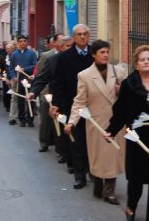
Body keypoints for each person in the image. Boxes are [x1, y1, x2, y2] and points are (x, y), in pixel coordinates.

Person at [106, 46, 149, 221]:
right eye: (142, 59)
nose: (146, 62)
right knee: (136, 181)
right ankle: (131, 208)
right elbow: (121, 111)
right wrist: (111, 130)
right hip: (137, 139)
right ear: (136, 63)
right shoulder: (129, 84)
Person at [66, 40, 126, 204]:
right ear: (93, 55)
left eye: (107, 51)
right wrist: (72, 122)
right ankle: (98, 186)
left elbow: (129, 96)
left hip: (115, 123)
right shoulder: (84, 75)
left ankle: (109, 191)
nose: (106, 55)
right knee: (99, 157)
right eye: (102, 52)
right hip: (96, 123)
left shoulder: (119, 72)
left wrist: (122, 92)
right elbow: (79, 102)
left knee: (112, 157)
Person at [50, 24, 94, 189]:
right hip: (72, 106)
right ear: (74, 37)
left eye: (85, 34)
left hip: (93, 107)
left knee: (92, 142)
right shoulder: (64, 58)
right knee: (76, 142)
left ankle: (93, 172)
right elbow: (57, 83)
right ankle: (79, 175)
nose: (82, 37)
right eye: (79, 34)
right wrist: (56, 104)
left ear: (89, 36)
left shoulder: (95, 55)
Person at [29, 36, 73, 162]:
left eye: (71, 46)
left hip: (75, 101)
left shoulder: (79, 59)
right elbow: (42, 77)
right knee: (58, 127)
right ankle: (63, 153)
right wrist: (34, 92)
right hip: (57, 99)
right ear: (59, 46)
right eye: (67, 46)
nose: (70, 49)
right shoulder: (51, 59)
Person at [28, 33, 63, 152]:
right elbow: (41, 74)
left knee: (59, 119)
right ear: (55, 43)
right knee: (46, 120)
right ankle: (44, 142)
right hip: (47, 91)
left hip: (60, 93)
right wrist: (35, 91)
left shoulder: (68, 55)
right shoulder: (46, 56)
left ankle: (58, 144)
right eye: (61, 41)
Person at [8, 36, 37, 127]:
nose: (23, 43)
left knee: (30, 99)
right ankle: (22, 119)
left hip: (29, 79)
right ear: (18, 43)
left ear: (27, 42)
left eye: (24, 41)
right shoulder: (14, 55)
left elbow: (35, 66)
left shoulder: (32, 53)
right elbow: (11, 68)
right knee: (20, 99)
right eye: (20, 41)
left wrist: (24, 69)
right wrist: (13, 77)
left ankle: (30, 119)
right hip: (19, 80)